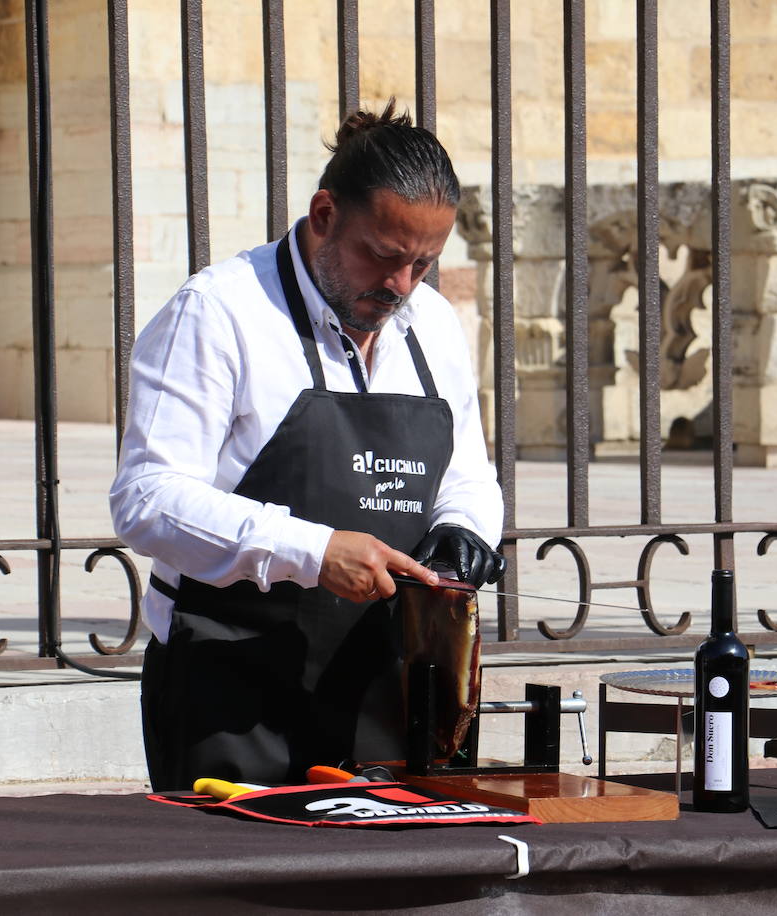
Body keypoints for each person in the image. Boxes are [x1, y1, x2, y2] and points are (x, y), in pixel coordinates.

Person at [110, 102, 505, 790]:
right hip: (233, 695)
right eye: (382, 256)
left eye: (423, 264)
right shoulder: (217, 312)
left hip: (392, 692)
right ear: (324, 214)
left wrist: (464, 531)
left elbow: (467, 473)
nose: (401, 286)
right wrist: (313, 552)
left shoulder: (433, 325)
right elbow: (146, 499)